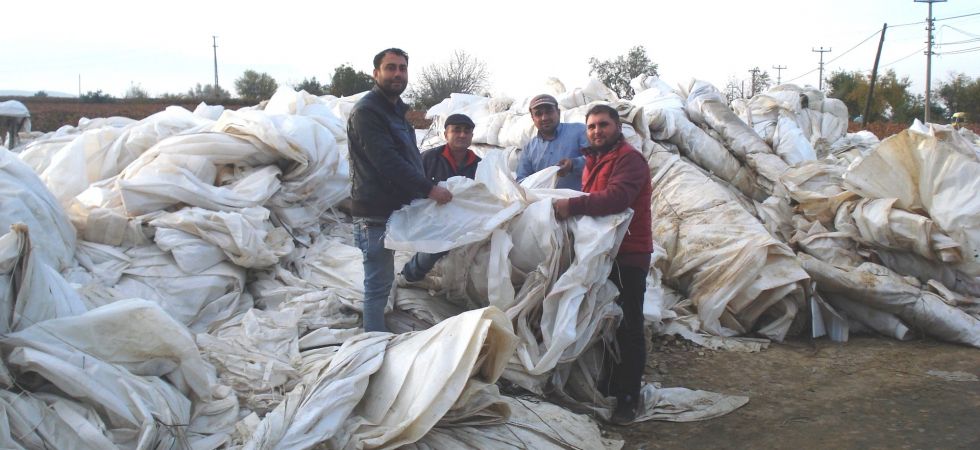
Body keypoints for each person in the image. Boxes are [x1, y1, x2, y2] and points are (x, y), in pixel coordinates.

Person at [553, 104, 653, 425]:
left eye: (603, 125)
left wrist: (571, 205)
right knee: (605, 321)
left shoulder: (629, 159)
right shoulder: (595, 159)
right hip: (603, 253)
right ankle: (610, 385)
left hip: (627, 254)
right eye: (592, 126)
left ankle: (628, 399)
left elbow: (616, 198)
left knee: (628, 326)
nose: (597, 131)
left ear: (618, 127)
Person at [347, 47, 453, 333]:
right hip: (375, 213)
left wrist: (426, 187)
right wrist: (428, 189)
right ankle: (372, 344)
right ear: (376, 73)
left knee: (443, 237)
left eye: (402, 68)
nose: (397, 73)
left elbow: (409, 156)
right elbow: (387, 161)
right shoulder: (367, 112)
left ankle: (411, 275)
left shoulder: (396, 111)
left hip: (402, 206)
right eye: (390, 67)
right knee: (378, 285)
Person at [399, 113, 481, 284]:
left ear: (472, 136)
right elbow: (411, 186)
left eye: (467, 131)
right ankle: (410, 275)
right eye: (456, 130)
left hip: (465, 219)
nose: (462, 135)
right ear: (446, 134)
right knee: (439, 244)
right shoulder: (429, 158)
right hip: (431, 217)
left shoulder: (479, 164)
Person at [515, 94, 589, 190]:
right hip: (544, 203)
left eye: (549, 112)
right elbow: (522, 181)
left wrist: (573, 164)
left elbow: (597, 159)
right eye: (538, 114)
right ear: (532, 118)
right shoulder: (529, 149)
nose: (544, 118)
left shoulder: (579, 131)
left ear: (558, 112)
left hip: (579, 202)